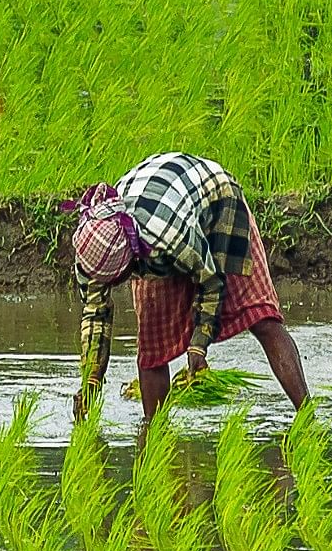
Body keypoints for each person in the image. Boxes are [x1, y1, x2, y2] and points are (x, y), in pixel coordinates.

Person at [69, 151, 309, 426]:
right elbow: (95, 315)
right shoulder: (91, 247)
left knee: (262, 318)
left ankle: (306, 415)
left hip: (217, 202)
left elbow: (210, 282)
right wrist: (91, 379)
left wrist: (198, 346)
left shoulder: (168, 238)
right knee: (152, 349)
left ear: (129, 260)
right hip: (164, 206)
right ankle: (155, 431)